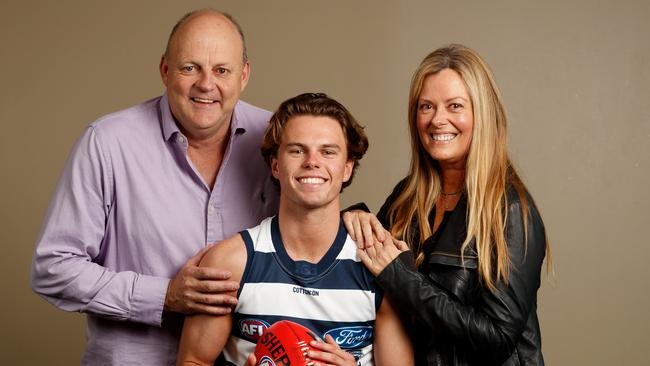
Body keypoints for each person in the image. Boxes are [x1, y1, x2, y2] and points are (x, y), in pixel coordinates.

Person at [30, 9, 279, 365]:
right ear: (165, 70)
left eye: (221, 70)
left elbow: (309, 233)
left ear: (244, 75)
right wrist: (163, 295)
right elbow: (52, 267)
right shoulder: (108, 143)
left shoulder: (277, 140)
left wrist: (352, 223)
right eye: (189, 68)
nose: (206, 84)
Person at [343, 44, 550, 365]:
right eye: (426, 106)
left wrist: (402, 276)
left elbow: (497, 338)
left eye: (455, 106)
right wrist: (352, 216)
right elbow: (371, 287)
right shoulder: (407, 198)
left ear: (483, 114)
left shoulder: (509, 211)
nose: (437, 119)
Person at [176, 93, 413, 366]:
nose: (312, 161)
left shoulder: (379, 267)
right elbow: (192, 361)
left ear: (347, 168)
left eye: (328, 151)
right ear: (275, 165)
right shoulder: (231, 263)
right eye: (297, 150)